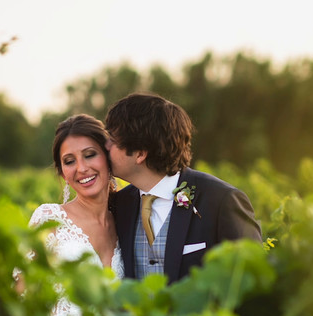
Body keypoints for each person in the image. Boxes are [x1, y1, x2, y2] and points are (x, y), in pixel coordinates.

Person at [13, 114, 122, 316]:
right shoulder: (49, 220)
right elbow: (21, 299)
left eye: (90, 155)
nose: (81, 168)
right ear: (62, 172)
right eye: (69, 161)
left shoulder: (128, 221)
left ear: (108, 158)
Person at [104, 92, 262, 283]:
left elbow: (252, 282)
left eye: (112, 140)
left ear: (140, 154)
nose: (105, 146)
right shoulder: (120, 205)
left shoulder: (221, 201)